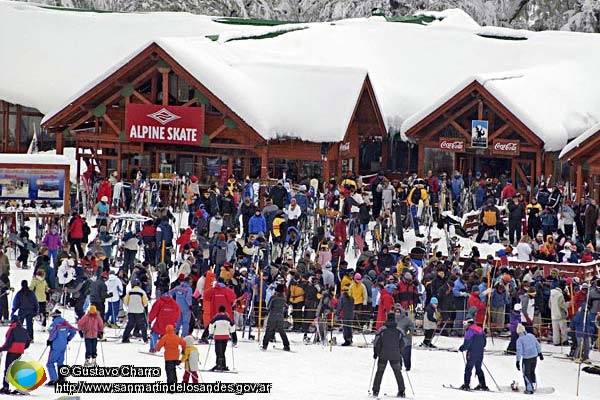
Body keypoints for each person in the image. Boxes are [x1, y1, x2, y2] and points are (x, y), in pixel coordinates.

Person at [372, 312, 406, 398]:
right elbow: (403, 343)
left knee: (379, 372)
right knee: (398, 372)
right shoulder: (399, 330)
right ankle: (401, 390)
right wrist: (400, 352)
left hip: (383, 354)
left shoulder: (382, 330)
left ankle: (375, 390)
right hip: (395, 355)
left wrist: (376, 353)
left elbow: (377, 343)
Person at [458, 307, 489, 391]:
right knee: (478, 369)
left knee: (468, 369)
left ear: (468, 323)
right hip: (480, 353)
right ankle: (483, 385)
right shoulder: (480, 329)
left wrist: (461, 348)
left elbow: (467, 344)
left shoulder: (469, 331)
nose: (464, 325)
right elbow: (484, 343)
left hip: (471, 354)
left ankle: (466, 385)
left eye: (465, 323)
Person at [0, 315, 30, 394]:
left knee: (8, 369)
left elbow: (8, 342)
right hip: (19, 352)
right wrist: (22, 348)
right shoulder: (24, 330)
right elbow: (28, 341)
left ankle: (6, 387)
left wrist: (2, 349)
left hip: (12, 351)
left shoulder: (12, 329)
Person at [45, 310, 77, 386]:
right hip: (63, 345)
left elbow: (53, 333)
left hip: (55, 345)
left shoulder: (55, 323)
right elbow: (73, 331)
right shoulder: (65, 322)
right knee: (60, 362)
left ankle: (54, 379)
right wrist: (68, 338)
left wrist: (49, 340)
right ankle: (62, 378)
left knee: (50, 363)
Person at [515, 323, 543, 394]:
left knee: (526, 374)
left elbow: (519, 351)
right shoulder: (531, 335)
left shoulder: (519, 340)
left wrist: (517, 361)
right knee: (532, 372)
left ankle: (529, 389)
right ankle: (534, 385)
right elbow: (537, 344)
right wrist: (540, 353)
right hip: (534, 357)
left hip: (526, 359)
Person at [261, 284, 290, 351]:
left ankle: (265, 345)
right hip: (280, 316)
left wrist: (266, 313)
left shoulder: (273, 298)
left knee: (269, 331)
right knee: (282, 331)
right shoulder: (283, 299)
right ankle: (286, 345)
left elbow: (268, 307)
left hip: (272, 316)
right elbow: (286, 307)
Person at [208, 305, 236, 371]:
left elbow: (211, 325)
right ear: (224, 310)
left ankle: (219, 365)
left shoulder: (216, 318)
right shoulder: (228, 318)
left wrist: (211, 333)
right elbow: (232, 327)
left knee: (218, 351)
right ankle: (223, 365)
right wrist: (230, 332)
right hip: (225, 337)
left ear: (219, 310)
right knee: (223, 351)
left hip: (217, 336)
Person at [394, 304, 414, 371]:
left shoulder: (407, 319)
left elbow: (411, 327)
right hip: (396, 341)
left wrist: (407, 332)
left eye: (398, 312)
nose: (397, 313)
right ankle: (399, 366)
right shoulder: (393, 319)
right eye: (396, 312)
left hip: (406, 341)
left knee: (406, 356)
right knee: (397, 355)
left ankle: (408, 367)